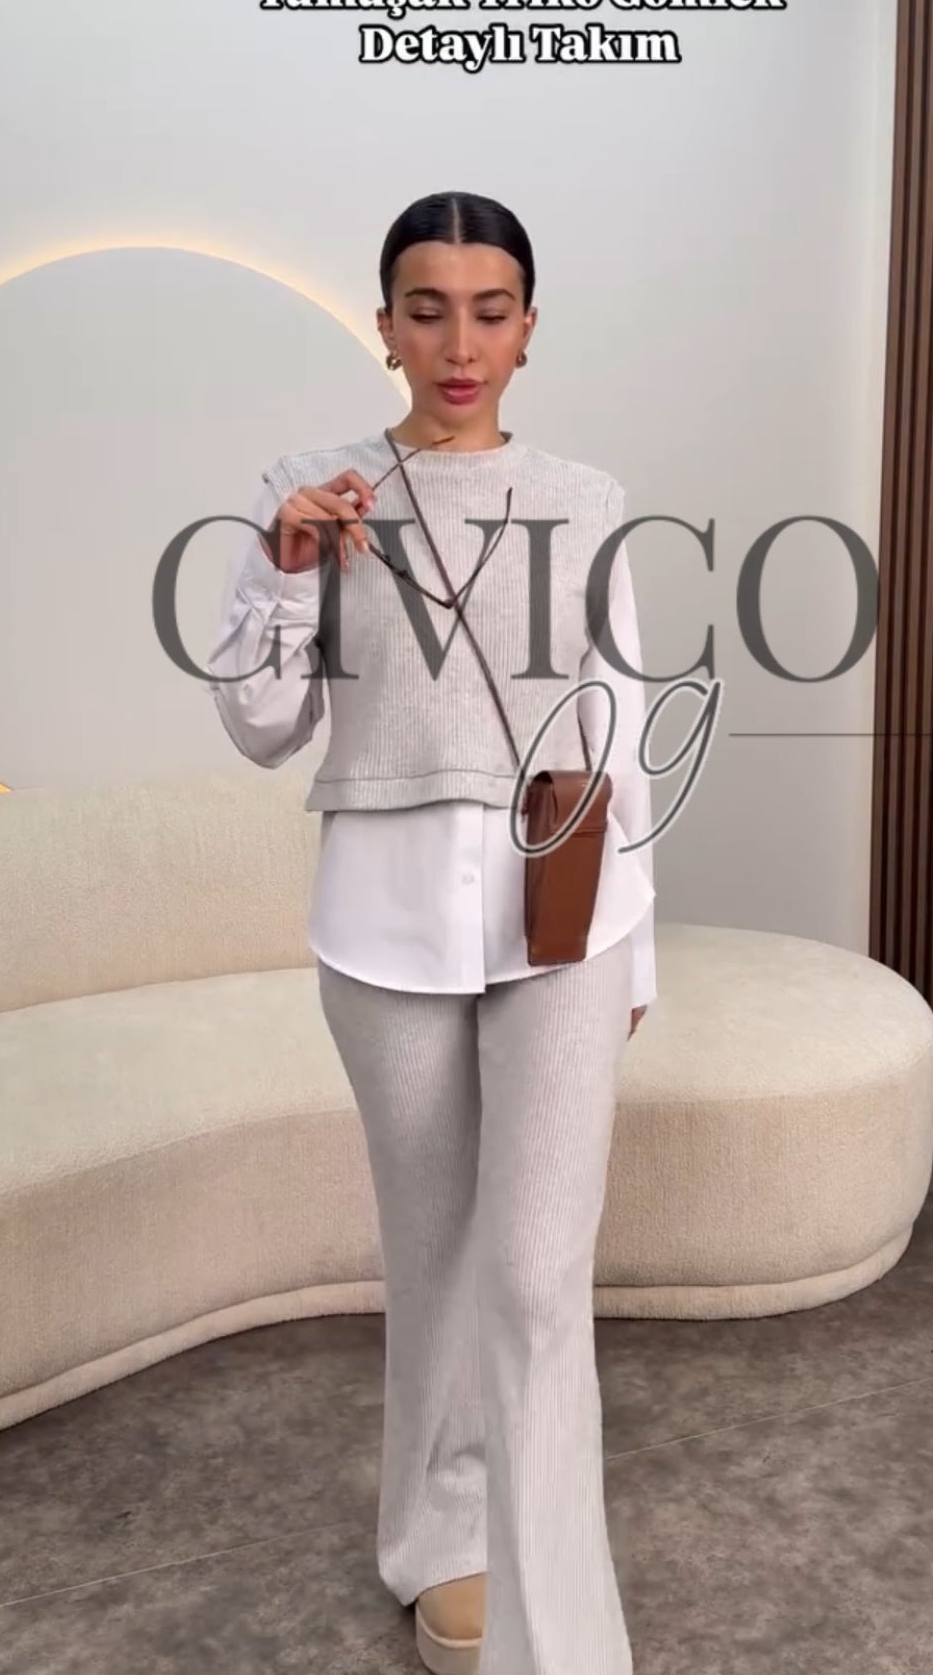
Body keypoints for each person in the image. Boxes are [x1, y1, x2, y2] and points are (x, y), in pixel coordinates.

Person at [203, 190, 655, 1675]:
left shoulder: (586, 499)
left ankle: (560, 1642)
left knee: (536, 1277)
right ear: (386, 324)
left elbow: (619, 726)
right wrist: (283, 570)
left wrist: (636, 948)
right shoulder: (310, 490)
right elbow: (261, 725)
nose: (460, 343)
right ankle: (435, 1536)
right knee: (437, 1256)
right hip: (382, 929)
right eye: (427, 309)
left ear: (528, 329)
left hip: (563, 919)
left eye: (490, 311)